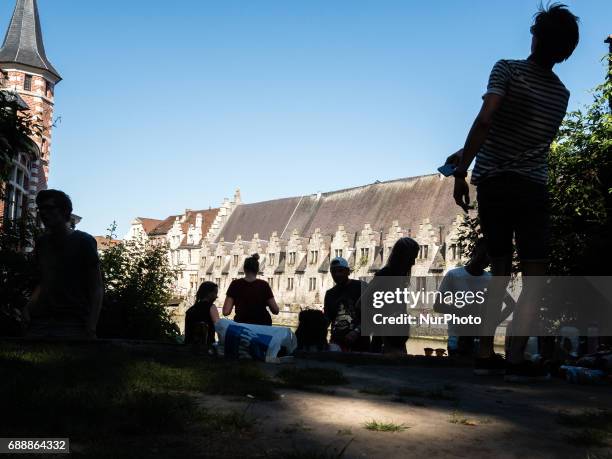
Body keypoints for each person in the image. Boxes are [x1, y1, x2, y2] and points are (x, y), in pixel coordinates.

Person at [448, 4, 579, 381]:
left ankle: (486, 352)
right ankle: (516, 358)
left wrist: (461, 169)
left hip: (496, 185)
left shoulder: (506, 68)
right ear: (566, 51)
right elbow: (525, 141)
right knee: (535, 278)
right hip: (533, 188)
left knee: (500, 272)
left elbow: (488, 120)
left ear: (535, 35)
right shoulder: (562, 94)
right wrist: (469, 151)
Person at [23, 190, 104, 339]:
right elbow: (44, 281)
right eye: (41, 209)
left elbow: (97, 287)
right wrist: (29, 307)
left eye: (49, 208)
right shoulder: (42, 243)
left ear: (64, 210)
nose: (43, 213)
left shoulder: (84, 242)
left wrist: (91, 327)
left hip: (73, 323)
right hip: (40, 321)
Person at [435, 239, 492, 358]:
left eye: (488, 259)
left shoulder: (490, 279)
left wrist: (493, 322)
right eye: (482, 256)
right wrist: (461, 310)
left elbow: (510, 304)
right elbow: (437, 305)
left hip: (481, 342)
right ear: (474, 252)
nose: (485, 261)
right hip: (456, 341)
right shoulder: (454, 275)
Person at [368, 237, 420, 355]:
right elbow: (362, 304)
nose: (413, 262)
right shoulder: (384, 275)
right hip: (382, 340)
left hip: (397, 340)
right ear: (403, 257)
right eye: (412, 258)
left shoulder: (400, 279)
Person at [323, 257, 369, 352]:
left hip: (360, 343)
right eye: (333, 272)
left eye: (340, 271)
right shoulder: (330, 294)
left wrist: (356, 331)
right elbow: (327, 318)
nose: (337, 274)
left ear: (348, 272)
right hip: (336, 344)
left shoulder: (361, 287)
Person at [223, 254, 279, 325]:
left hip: (242, 326)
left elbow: (226, 312)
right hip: (262, 326)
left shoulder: (235, 284)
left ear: (244, 268)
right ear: (257, 270)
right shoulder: (264, 285)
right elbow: (275, 310)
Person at [184, 281, 220, 346]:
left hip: (189, 348)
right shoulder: (212, 307)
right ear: (209, 294)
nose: (216, 297)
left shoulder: (190, 310)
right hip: (207, 348)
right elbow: (220, 328)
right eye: (215, 293)